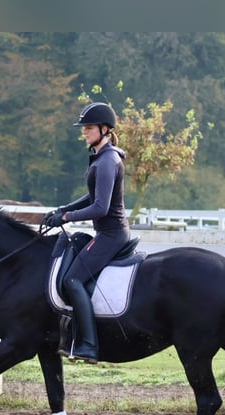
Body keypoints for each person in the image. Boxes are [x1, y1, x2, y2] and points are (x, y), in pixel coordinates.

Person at [42, 102, 130, 364]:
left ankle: (89, 346)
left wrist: (66, 218)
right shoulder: (104, 158)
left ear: (104, 129)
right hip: (109, 233)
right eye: (84, 128)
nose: (84, 132)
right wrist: (64, 209)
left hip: (111, 235)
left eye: (88, 128)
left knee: (72, 280)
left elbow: (101, 208)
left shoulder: (106, 161)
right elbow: (92, 196)